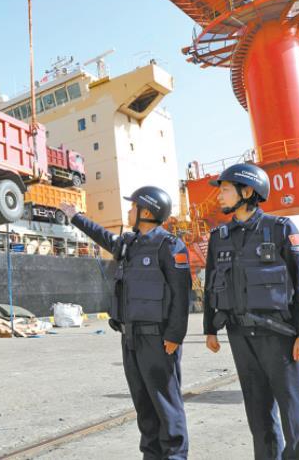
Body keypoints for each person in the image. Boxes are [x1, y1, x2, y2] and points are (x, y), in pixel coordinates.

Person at [60, 186, 191, 459]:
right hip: (130, 338)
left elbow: (181, 295)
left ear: (147, 212)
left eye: (133, 207)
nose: (129, 211)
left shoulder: (169, 246)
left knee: (166, 405)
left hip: (158, 339)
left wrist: (175, 336)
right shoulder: (129, 244)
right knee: (144, 406)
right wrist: (75, 217)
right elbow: (103, 236)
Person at [204, 163, 299, 459]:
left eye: (225, 189)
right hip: (240, 335)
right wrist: (210, 328)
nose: (219, 196)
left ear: (247, 191)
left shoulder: (280, 228)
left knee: (294, 415)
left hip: (279, 336)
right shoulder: (219, 237)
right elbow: (210, 285)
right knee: (258, 416)